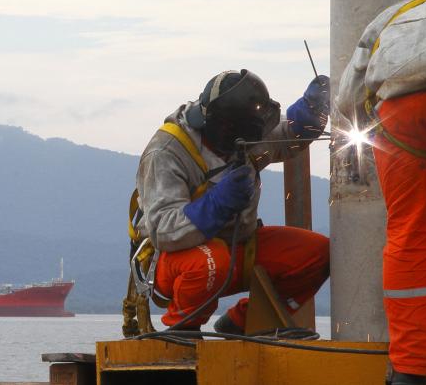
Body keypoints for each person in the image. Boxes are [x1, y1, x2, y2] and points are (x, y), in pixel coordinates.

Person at [132, 69, 331, 335]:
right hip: (178, 261)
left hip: (237, 249)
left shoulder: (247, 132)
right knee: (212, 261)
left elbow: (287, 136)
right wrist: (217, 203)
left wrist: (310, 114)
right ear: (226, 129)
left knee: (318, 254)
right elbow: (163, 231)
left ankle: (243, 322)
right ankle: (183, 332)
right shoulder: (166, 152)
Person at [336, 0, 426, 385]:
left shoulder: (394, 16)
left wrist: (362, 135)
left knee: (410, 230)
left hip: (402, 110)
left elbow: (348, 98)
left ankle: (410, 372)